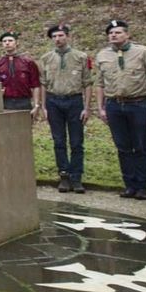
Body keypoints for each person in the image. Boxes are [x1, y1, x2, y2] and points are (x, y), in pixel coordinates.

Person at [95, 20, 146, 201]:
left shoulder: (143, 53)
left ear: (127, 35)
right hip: (114, 106)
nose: (113, 35)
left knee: (140, 146)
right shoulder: (102, 55)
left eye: (118, 32)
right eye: (111, 33)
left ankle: (142, 186)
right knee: (123, 147)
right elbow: (100, 83)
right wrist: (100, 107)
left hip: (138, 105)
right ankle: (129, 185)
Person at [38, 23, 92, 194]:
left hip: (74, 101)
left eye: (60, 36)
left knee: (76, 141)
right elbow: (43, 84)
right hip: (54, 102)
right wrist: (43, 106)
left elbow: (88, 83)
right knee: (59, 141)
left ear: (68, 36)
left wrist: (87, 107)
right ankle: (64, 176)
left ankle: (76, 177)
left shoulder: (81, 57)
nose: (57, 39)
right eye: (54, 37)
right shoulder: (46, 58)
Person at [0, 32, 42, 116]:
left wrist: (36, 105)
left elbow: (36, 85)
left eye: (10, 40)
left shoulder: (28, 62)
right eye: (4, 41)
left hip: (24, 101)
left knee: (24, 128)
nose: (7, 43)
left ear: (16, 42)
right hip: (4, 102)